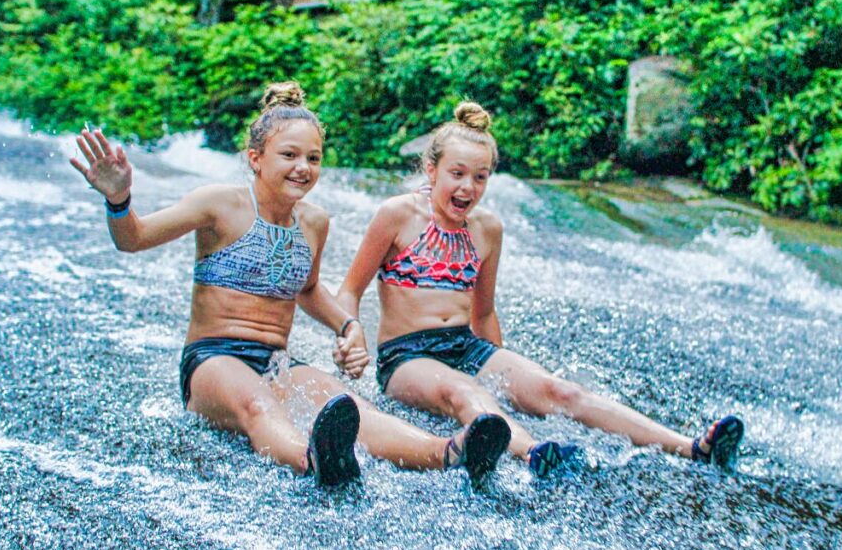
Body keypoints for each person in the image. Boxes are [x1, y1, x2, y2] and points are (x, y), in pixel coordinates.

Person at [69, 82, 511, 486]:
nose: (303, 167)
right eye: (289, 155)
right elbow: (134, 238)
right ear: (255, 157)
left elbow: (308, 289)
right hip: (212, 362)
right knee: (259, 405)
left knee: (350, 405)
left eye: (313, 158)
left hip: (276, 359)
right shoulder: (219, 204)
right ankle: (312, 461)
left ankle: (451, 452)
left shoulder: (314, 222)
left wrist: (346, 327)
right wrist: (118, 198)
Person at [335, 102, 744, 478]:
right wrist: (350, 334)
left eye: (480, 177)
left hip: (464, 345)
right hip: (407, 357)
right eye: (456, 174)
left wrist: (504, 374)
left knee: (559, 390)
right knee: (463, 390)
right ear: (431, 170)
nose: (468, 188)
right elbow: (351, 289)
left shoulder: (488, 229)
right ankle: (534, 453)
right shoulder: (396, 215)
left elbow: (482, 313)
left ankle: (692, 448)